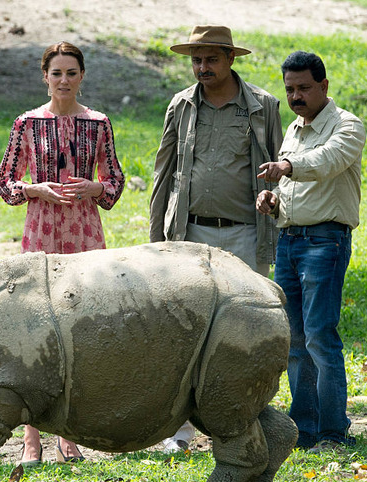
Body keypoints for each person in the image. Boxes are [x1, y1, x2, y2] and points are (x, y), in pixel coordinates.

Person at [149, 25, 284, 454]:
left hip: (245, 232)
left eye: (211, 59)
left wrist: (277, 218)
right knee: (183, 328)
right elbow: (163, 172)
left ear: (230, 59)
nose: (202, 68)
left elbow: (280, 167)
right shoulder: (181, 105)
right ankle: (182, 432)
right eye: (196, 60)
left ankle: (246, 422)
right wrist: (157, 239)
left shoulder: (262, 106)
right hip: (189, 231)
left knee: (244, 330)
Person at [0, 41, 126, 466]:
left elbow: (116, 181)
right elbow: (5, 184)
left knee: (81, 331)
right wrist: (36, 188)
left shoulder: (98, 124)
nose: (64, 80)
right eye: (57, 73)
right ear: (45, 77)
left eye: (71, 73)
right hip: (42, 230)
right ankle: (32, 437)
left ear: (82, 76)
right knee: (39, 330)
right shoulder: (27, 123)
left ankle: (69, 434)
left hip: (85, 230)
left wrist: (96, 187)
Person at [255, 51, 366, 453]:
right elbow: (295, 179)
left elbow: (327, 161)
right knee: (294, 339)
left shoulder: (348, 126)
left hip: (326, 241)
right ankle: (305, 430)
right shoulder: (295, 130)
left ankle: (334, 432)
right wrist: (272, 198)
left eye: (303, 88)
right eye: (290, 89)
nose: (296, 96)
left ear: (324, 86)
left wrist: (285, 168)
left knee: (320, 335)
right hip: (290, 240)